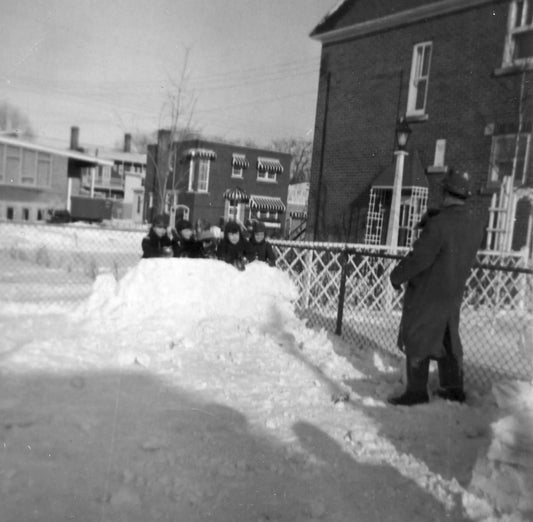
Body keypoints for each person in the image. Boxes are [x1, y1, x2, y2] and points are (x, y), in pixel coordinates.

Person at [388, 169, 485, 406]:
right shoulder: (475, 224)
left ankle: (416, 392)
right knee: (448, 338)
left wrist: (396, 276)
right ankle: (453, 388)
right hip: (452, 292)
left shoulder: (438, 224)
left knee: (417, 337)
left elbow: (420, 259)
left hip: (427, 292)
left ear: (445, 191)